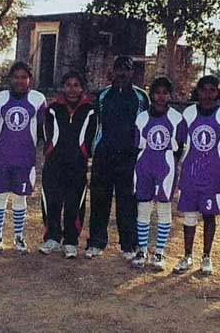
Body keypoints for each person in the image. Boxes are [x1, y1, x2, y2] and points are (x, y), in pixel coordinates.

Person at [173, 75, 220, 275]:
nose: (208, 94)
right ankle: (187, 255)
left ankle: (207, 256)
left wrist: (214, 157)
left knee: (209, 216)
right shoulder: (189, 113)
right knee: (190, 215)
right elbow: (180, 140)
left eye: (212, 90)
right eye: (204, 90)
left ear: (217, 92)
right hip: (190, 173)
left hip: (213, 174)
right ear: (198, 91)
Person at [86, 56, 149, 260]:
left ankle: (129, 246)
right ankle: (96, 243)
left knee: (127, 203)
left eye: (126, 69)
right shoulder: (103, 95)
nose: (122, 73)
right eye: (118, 69)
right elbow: (95, 125)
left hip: (129, 157)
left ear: (132, 72)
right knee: (99, 200)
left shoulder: (141, 97)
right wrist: (93, 150)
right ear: (112, 71)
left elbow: (146, 126)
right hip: (104, 156)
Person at [0, 62, 47, 253]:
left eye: (24, 77)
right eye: (16, 77)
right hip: (2, 157)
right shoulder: (0, 98)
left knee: (20, 198)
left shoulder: (38, 100)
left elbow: (41, 129)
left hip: (24, 158)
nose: (20, 81)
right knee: (0, 196)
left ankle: (18, 238)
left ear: (30, 79)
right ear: (10, 79)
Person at [39, 71, 96, 259]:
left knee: (74, 203)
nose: (72, 89)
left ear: (82, 88)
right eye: (68, 85)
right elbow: (46, 134)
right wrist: (50, 151)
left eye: (76, 85)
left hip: (77, 165)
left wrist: (84, 152)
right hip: (54, 163)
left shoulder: (90, 110)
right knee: (52, 201)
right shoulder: (53, 108)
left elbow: (92, 135)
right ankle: (52, 237)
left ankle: (71, 241)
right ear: (63, 87)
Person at [130, 77, 181, 271]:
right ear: (150, 95)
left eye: (164, 93)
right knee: (143, 207)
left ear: (170, 95)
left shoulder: (176, 118)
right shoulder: (142, 117)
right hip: (144, 165)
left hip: (166, 166)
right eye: (157, 92)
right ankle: (142, 250)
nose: (160, 97)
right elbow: (137, 144)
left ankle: (159, 252)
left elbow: (179, 146)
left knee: (163, 207)